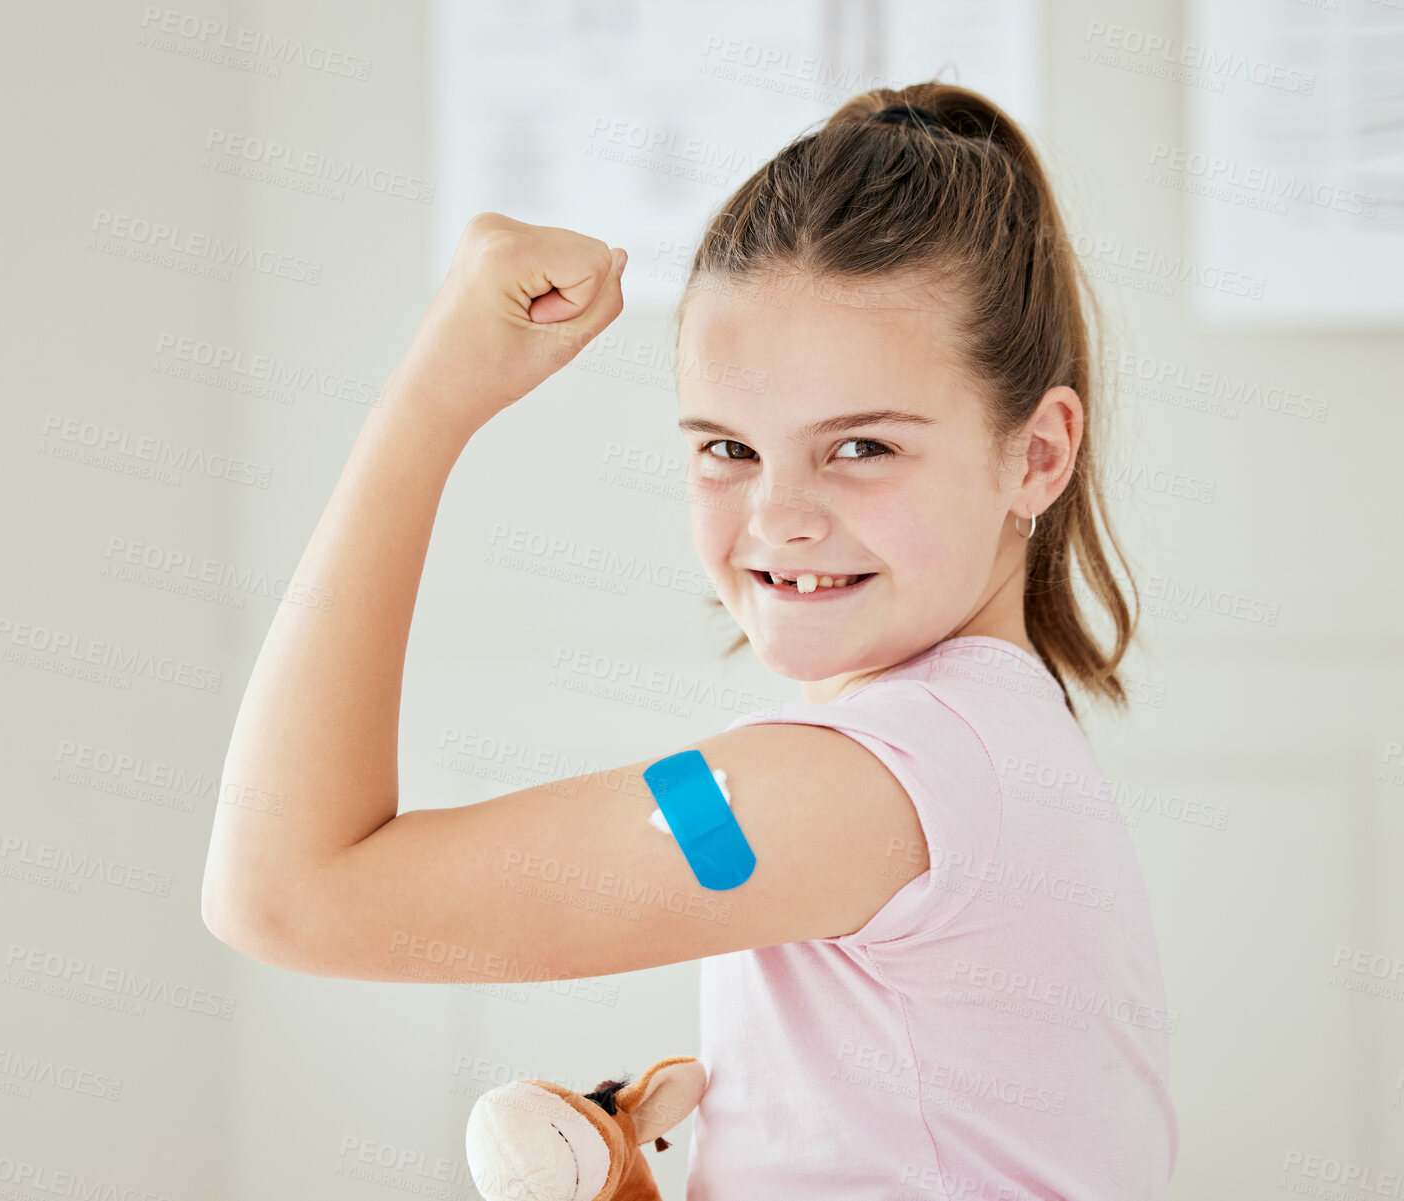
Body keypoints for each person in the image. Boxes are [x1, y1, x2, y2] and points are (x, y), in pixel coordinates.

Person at [200, 79, 1178, 1200]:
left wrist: (428, 405)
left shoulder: (856, 787)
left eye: (859, 446)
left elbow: (285, 889)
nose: (776, 517)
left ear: (1037, 456)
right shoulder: (982, 742)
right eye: (725, 448)